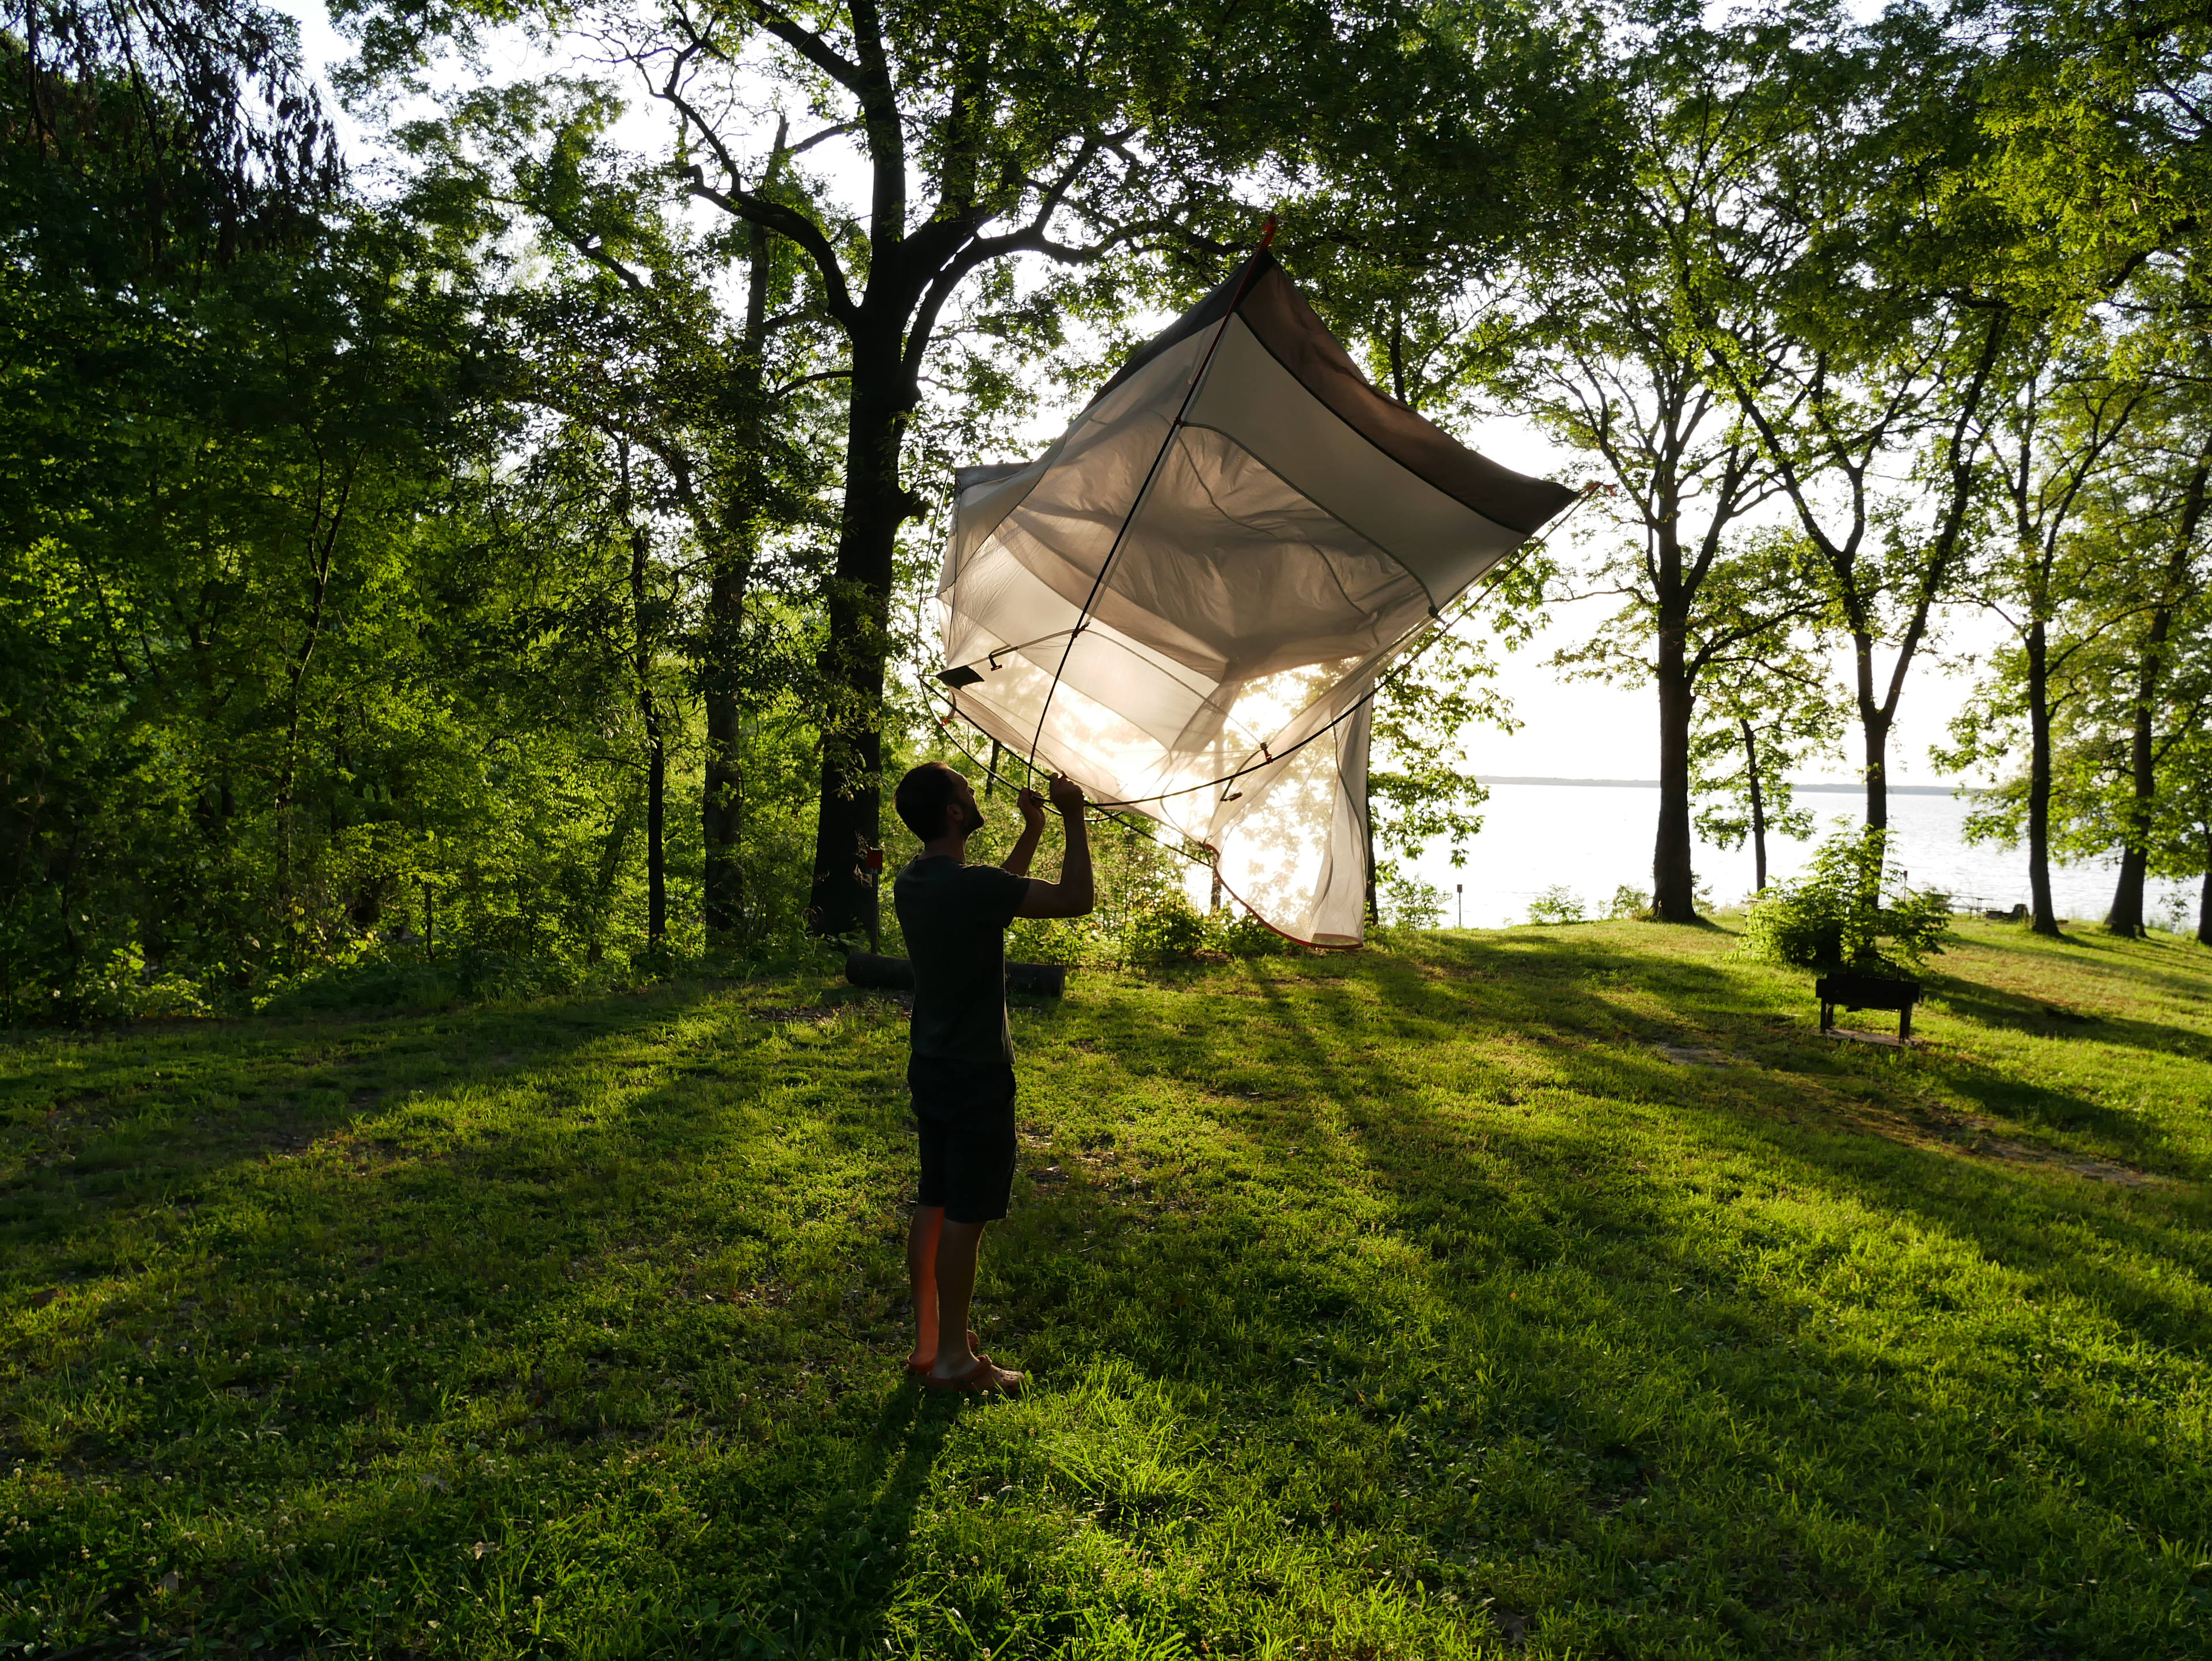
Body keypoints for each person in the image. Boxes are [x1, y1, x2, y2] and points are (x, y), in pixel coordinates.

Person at [890, 761, 1093, 1394]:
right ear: (954, 812)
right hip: (977, 1074)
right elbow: (1073, 900)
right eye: (966, 790)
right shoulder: (967, 885)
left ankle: (930, 1342)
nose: (974, 793)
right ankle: (954, 1361)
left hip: (932, 1066)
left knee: (935, 1199)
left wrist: (1031, 831)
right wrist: (1071, 816)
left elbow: (993, 893)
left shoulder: (916, 879)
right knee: (966, 1216)